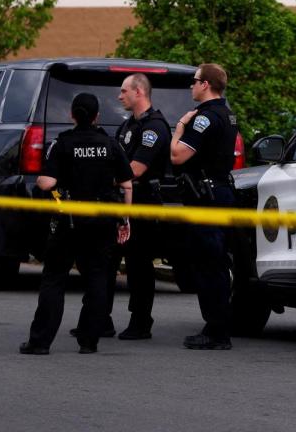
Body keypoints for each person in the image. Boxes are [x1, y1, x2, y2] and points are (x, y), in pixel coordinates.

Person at [20, 93, 134, 355]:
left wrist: (52, 183)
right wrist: (124, 219)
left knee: (54, 278)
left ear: (73, 115)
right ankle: (89, 340)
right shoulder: (110, 144)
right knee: (97, 278)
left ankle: (40, 342)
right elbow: (126, 185)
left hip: (68, 221)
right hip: (102, 221)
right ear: (96, 116)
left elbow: (46, 183)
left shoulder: (64, 143)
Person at [170, 63, 238, 351]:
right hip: (219, 193)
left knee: (209, 265)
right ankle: (217, 326)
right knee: (217, 264)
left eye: (194, 81)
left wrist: (179, 128)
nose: (191, 85)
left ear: (206, 85)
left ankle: (217, 331)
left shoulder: (204, 119)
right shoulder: (228, 114)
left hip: (207, 197)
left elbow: (177, 156)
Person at [110, 73, 173, 340]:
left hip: (144, 202)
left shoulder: (154, 127)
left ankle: (141, 321)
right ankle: (100, 318)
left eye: (124, 91)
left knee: (138, 263)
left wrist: (102, 178)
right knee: (111, 260)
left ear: (139, 92)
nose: (119, 95)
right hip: (122, 201)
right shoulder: (128, 127)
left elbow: (135, 169)